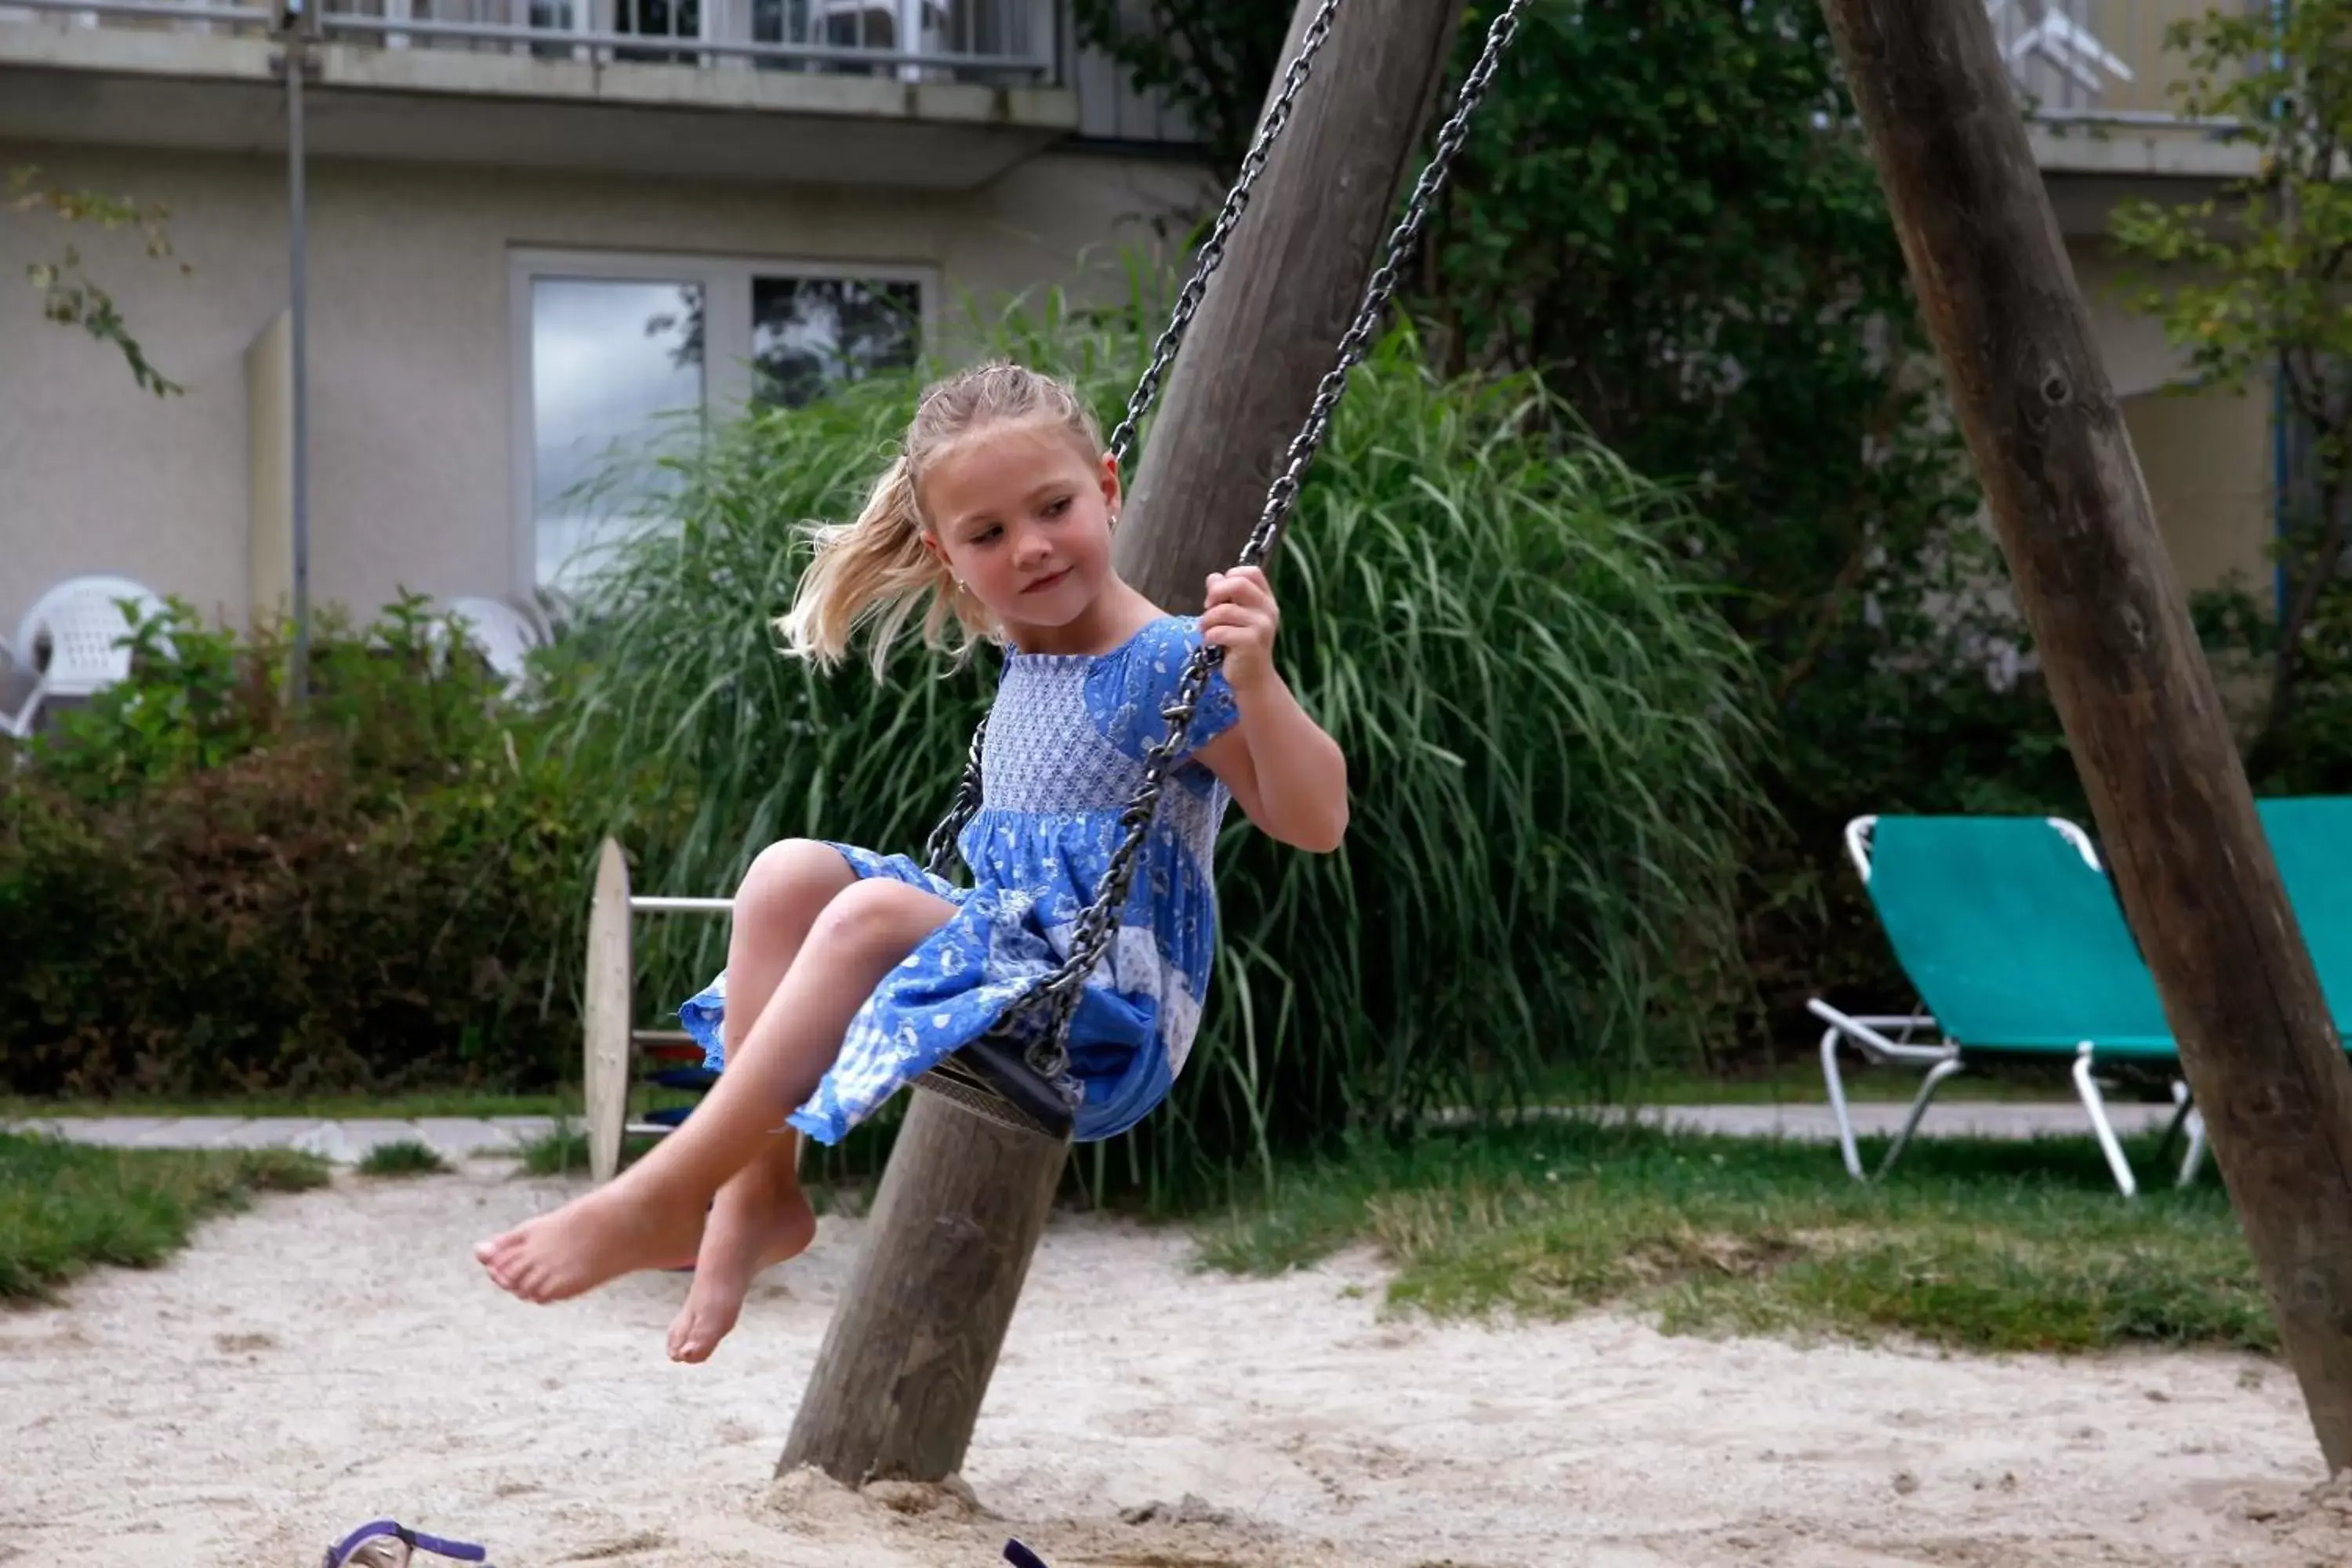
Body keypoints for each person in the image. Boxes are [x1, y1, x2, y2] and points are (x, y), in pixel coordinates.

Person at [474, 361, 1350, 1361]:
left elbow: (1313, 820)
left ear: (1108, 489)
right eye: (987, 533)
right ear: (946, 554)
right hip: (1016, 963)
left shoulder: (1164, 662)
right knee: (787, 875)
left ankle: (661, 1190)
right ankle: (759, 1193)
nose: (1029, 547)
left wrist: (1262, 683)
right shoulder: (1031, 651)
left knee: (869, 914)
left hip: (1100, 1017)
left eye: (1055, 507)